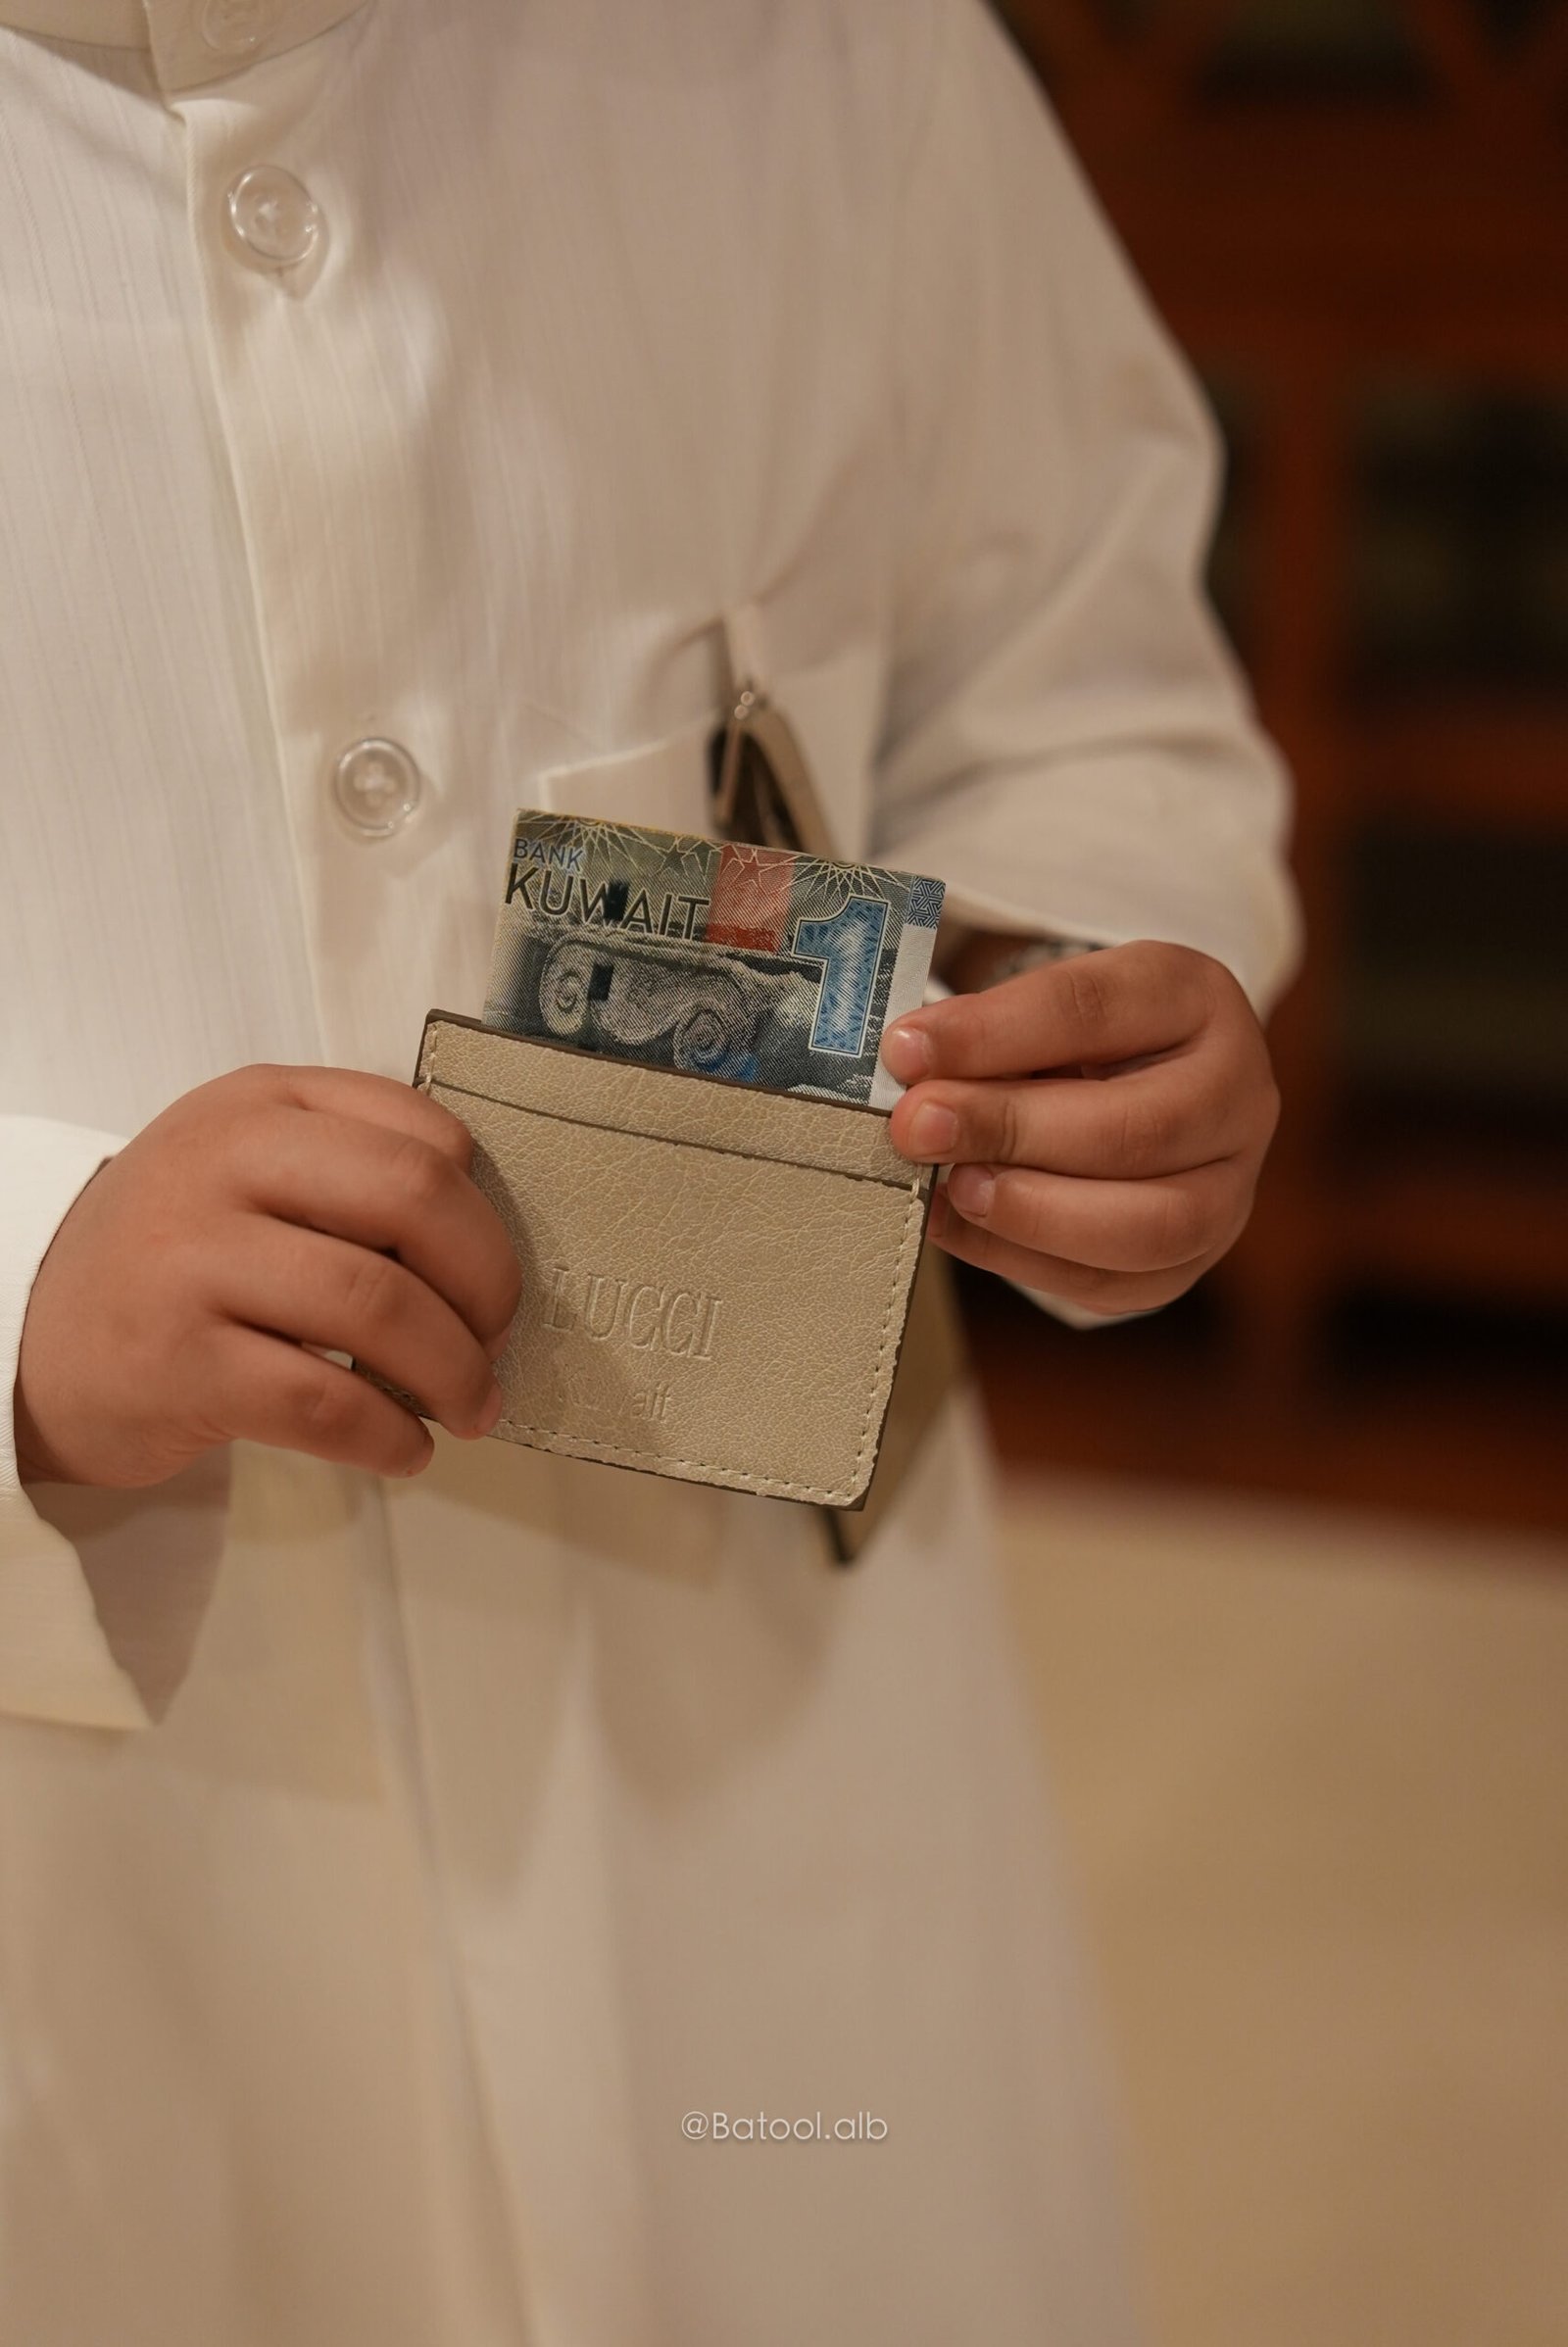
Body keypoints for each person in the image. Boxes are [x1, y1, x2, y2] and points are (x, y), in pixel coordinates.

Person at [0, 1, 1295, 2340]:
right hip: (97, 1907)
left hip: (751, 1762)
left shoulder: (828, 56)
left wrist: (1081, 981)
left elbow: (1072, 671)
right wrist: (20, 1291)